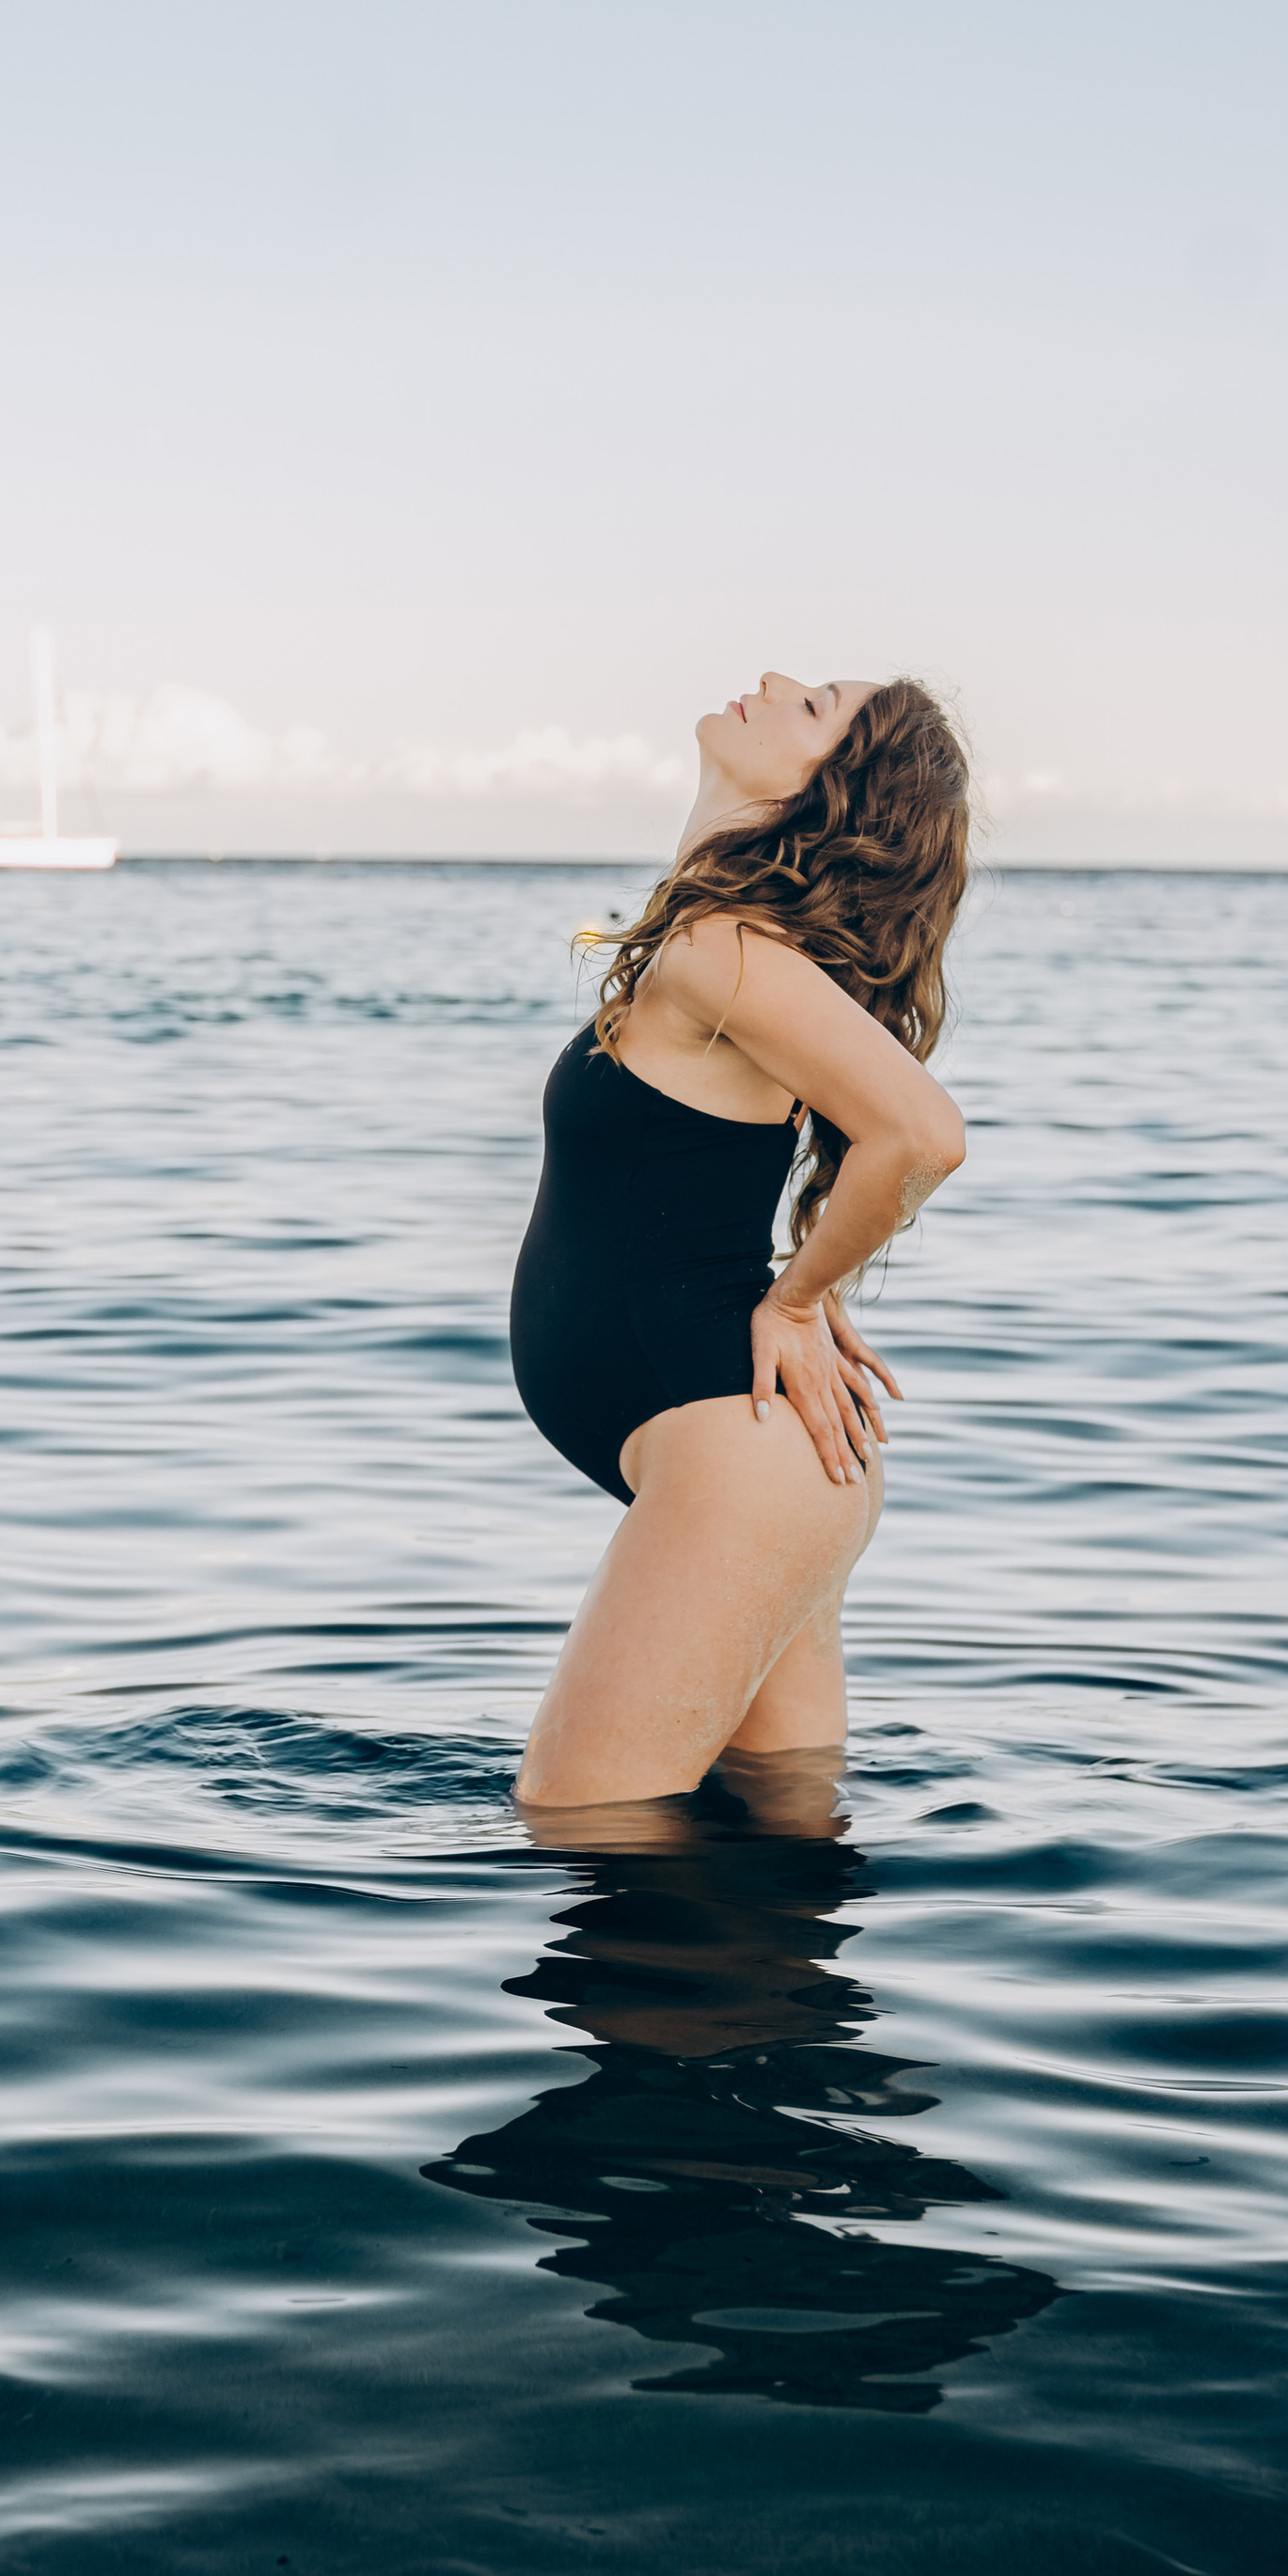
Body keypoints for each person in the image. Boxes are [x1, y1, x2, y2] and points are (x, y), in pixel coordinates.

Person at [511, 671, 971, 1810]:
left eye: (812, 705)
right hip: (768, 1460)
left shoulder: (719, 947)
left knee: (584, 1828)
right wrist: (795, 1281)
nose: (772, 682)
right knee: (778, 1849)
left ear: (828, 799)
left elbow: (921, 1133)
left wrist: (801, 1298)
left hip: (746, 1462)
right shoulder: (724, 943)